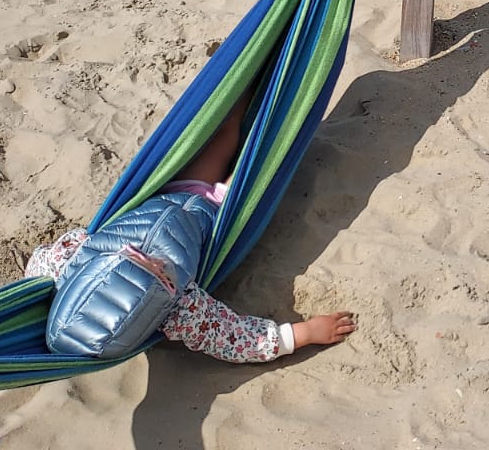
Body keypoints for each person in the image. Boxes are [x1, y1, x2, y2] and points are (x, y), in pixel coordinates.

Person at [26, 95, 357, 363]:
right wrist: (307, 333)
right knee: (259, 153)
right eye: (161, 275)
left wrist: (34, 284)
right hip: (215, 215)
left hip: (172, 190)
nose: (153, 260)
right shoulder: (180, 312)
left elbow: (40, 262)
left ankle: (251, 73)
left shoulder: (69, 263)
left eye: (133, 257)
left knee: (225, 133)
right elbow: (239, 339)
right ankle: (281, 94)